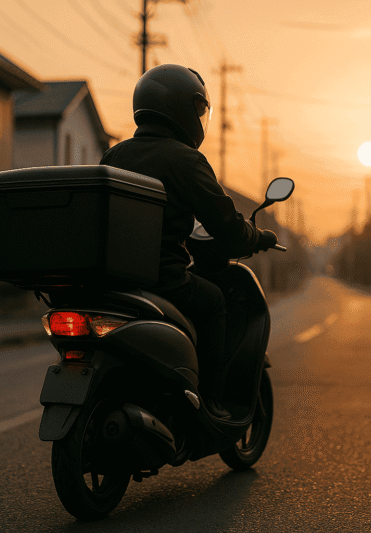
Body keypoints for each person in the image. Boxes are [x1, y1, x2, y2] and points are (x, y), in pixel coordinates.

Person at [99, 64, 277, 419]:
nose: (199, 118)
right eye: (198, 110)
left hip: (111, 282)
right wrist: (257, 237)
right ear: (183, 108)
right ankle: (210, 400)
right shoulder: (186, 159)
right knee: (213, 302)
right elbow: (225, 223)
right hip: (164, 281)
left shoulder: (115, 155)